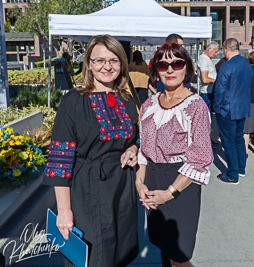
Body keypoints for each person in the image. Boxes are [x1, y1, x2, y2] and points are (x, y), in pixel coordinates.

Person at [42, 35, 139, 267]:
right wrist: (64, 211)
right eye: (99, 60)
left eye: (114, 60)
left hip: (122, 188)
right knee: (93, 256)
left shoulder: (126, 98)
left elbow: (134, 136)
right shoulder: (73, 102)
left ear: (122, 64)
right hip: (88, 189)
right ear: (88, 64)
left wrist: (134, 148)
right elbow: (60, 159)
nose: (107, 66)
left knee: (119, 252)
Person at [137, 42, 213, 267]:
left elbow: (198, 159)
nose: (170, 69)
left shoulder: (196, 106)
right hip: (151, 177)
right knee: (162, 245)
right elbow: (143, 149)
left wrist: (169, 193)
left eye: (176, 63)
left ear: (186, 67)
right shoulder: (148, 104)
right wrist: (139, 183)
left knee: (180, 256)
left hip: (180, 183)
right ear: (156, 70)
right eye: (163, 65)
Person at [213, 38, 252, 184]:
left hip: (227, 109)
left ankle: (232, 175)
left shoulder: (227, 66)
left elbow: (219, 89)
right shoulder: (247, 65)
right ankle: (241, 169)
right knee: (238, 140)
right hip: (241, 108)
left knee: (228, 143)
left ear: (226, 49)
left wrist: (216, 108)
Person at [197, 41, 219, 110]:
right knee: (208, 116)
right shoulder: (204, 59)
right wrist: (217, 81)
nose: (216, 54)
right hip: (207, 93)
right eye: (215, 52)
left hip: (209, 91)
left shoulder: (207, 59)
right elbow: (205, 79)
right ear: (209, 49)